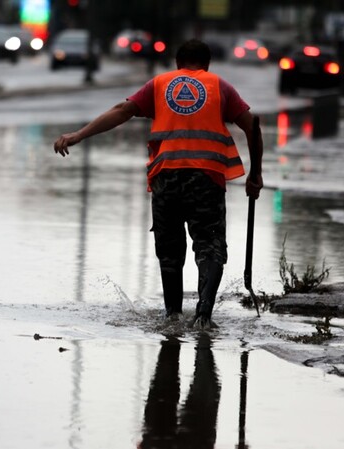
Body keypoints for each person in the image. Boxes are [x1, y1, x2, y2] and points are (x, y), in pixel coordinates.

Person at [53, 39, 263, 329]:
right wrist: (255, 174)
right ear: (207, 64)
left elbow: (121, 111)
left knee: (169, 249)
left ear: (177, 64)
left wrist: (79, 134)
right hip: (207, 177)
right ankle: (203, 315)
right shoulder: (220, 86)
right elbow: (252, 125)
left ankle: (173, 315)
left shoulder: (160, 84)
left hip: (166, 177)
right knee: (209, 245)